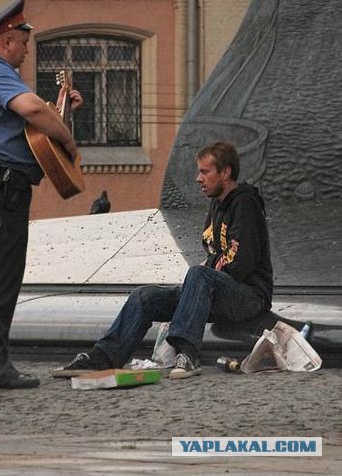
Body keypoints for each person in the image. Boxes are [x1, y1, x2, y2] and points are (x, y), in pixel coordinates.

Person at [0, 0, 83, 390]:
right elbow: (33, 111)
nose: (26, 54)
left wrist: (61, 115)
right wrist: (70, 143)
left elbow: (26, 123)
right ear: (7, 40)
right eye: (24, 45)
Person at [57, 141, 273, 380]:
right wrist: (209, 270)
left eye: (204, 171)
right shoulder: (216, 204)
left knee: (198, 274)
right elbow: (213, 253)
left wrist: (209, 268)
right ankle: (104, 357)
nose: (198, 178)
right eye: (198, 171)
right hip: (217, 290)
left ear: (225, 172)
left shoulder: (245, 203)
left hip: (249, 296)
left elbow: (241, 263)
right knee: (145, 296)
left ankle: (187, 354)